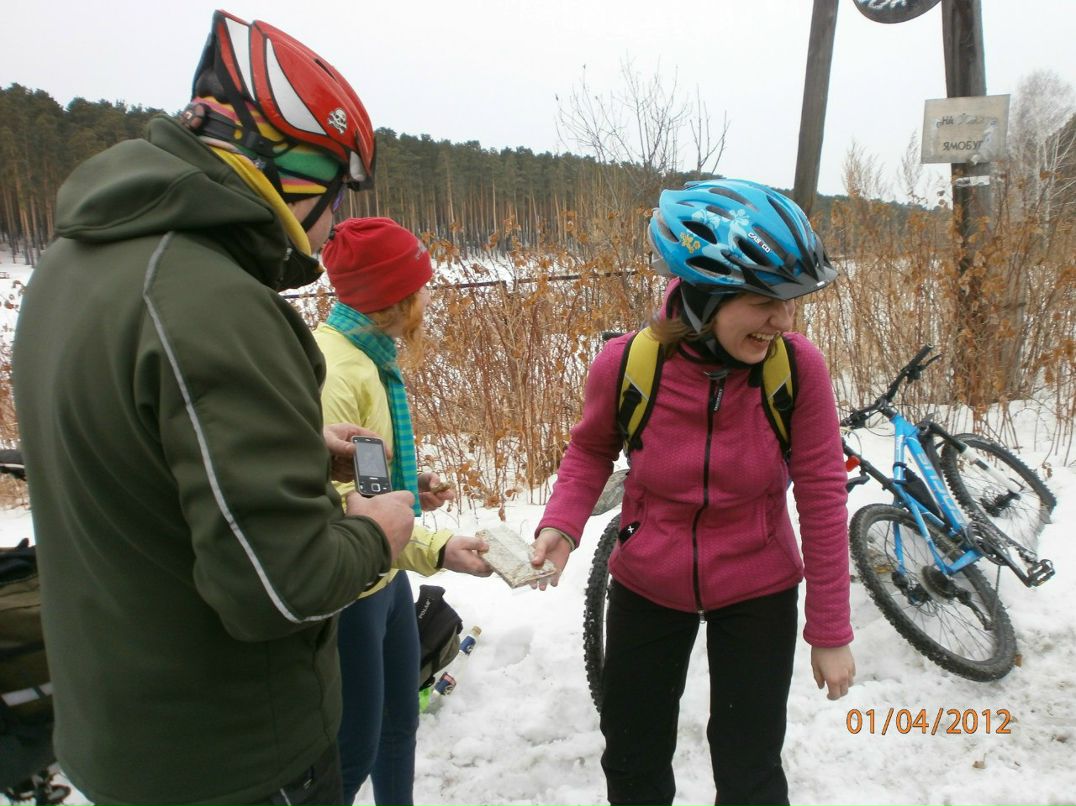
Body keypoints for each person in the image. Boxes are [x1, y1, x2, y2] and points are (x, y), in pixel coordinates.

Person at [12, 11, 417, 806]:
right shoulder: (214, 303)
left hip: (122, 737)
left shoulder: (70, 267)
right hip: (236, 759)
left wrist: (295, 444)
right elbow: (279, 585)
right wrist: (375, 534)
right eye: (333, 193)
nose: (333, 222)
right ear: (284, 168)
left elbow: (141, 462)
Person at [531, 179, 856, 806]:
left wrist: (831, 628)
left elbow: (820, 493)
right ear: (705, 296)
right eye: (765, 301)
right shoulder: (628, 364)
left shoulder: (798, 369)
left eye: (789, 302)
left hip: (758, 586)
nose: (783, 321)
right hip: (649, 582)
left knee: (750, 768)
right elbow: (592, 448)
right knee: (632, 757)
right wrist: (562, 524)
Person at [315, 217, 492, 806]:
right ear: (389, 298)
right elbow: (335, 511)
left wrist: (412, 485)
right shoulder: (338, 371)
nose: (424, 302)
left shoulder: (370, 358)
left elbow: (367, 480)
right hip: (352, 597)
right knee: (353, 750)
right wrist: (434, 545)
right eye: (416, 290)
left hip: (387, 586)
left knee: (398, 729)